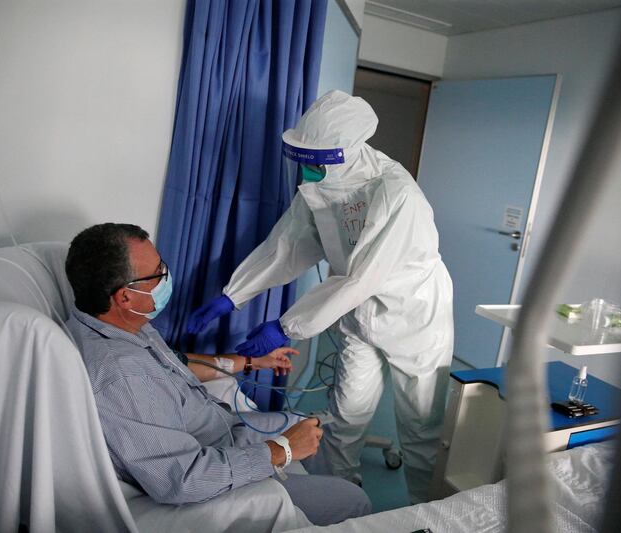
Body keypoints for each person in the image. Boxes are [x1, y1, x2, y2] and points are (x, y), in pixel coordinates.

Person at [187, 90, 454, 503]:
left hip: (412, 316)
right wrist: (233, 295)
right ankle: (344, 494)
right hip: (356, 313)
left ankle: (428, 512)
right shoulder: (322, 187)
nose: (307, 169)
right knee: (347, 413)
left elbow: (362, 276)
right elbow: (288, 244)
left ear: (346, 151)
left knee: (421, 428)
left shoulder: (397, 194)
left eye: (316, 161)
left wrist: (284, 325)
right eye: (304, 159)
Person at [64, 222, 371, 525]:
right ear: (124, 297)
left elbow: (176, 364)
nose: (166, 278)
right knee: (353, 501)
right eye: (158, 274)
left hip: (220, 432)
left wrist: (249, 362)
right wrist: (282, 450)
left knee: (303, 423)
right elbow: (183, 478)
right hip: (209, 464)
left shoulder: (122, 326)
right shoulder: (122, 375)